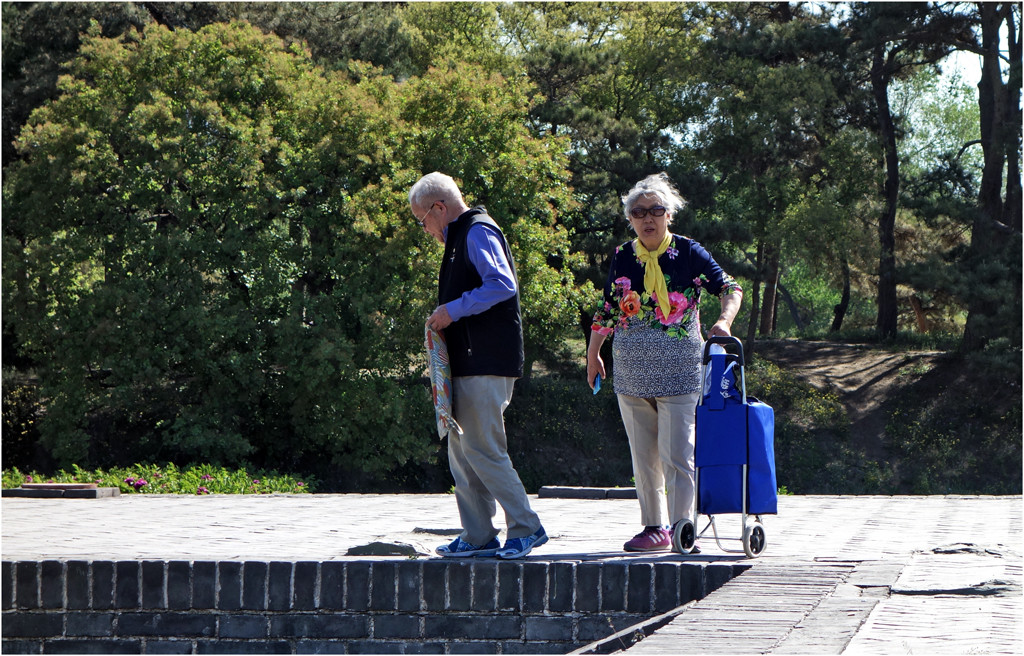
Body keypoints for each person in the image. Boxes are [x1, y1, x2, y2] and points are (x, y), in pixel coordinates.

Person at [586, 173, 743, 553]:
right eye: (639, 212)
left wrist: (724, 322)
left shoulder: (688, 252)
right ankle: (653, 527)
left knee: (677, 454)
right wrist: (593, 353)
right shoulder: (624, 255)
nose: (648, 218)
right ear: (631, 219)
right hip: (632, 371)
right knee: (644, 457)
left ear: (669, 214)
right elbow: (609, 308)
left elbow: (730, 287)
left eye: (656, 209)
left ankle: (681, 527)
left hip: (680, 369)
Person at [409, 171, 548, 560]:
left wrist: (451, 311)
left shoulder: (476, 230)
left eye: (423, 220)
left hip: (485, 361)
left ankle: (526, 527)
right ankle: (478, 534)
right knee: (461, 448)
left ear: (440, 207)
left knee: (484, 449)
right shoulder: (460, 237)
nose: (425, 230)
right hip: (468, 363)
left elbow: (502, 284)